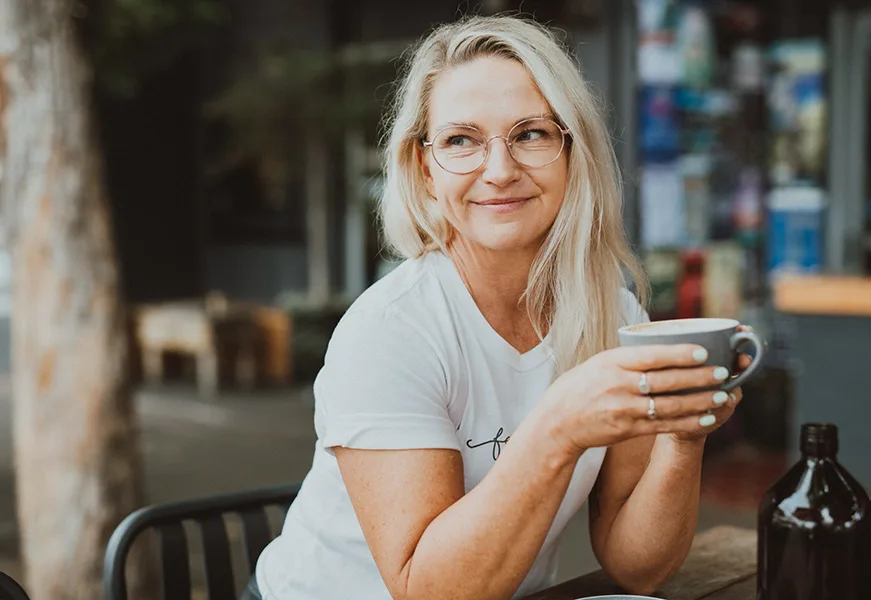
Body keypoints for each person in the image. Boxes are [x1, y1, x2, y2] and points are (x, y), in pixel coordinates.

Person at [248, 14, 749, 600]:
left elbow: (637, 566)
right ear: (425, 170)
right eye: (460, 140)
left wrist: (682, 437)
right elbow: (425, 590)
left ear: (572, 151)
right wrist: (557, 429)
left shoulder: (613, 315)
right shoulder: (391, 331)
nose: (500, 169)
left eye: (530, 133)